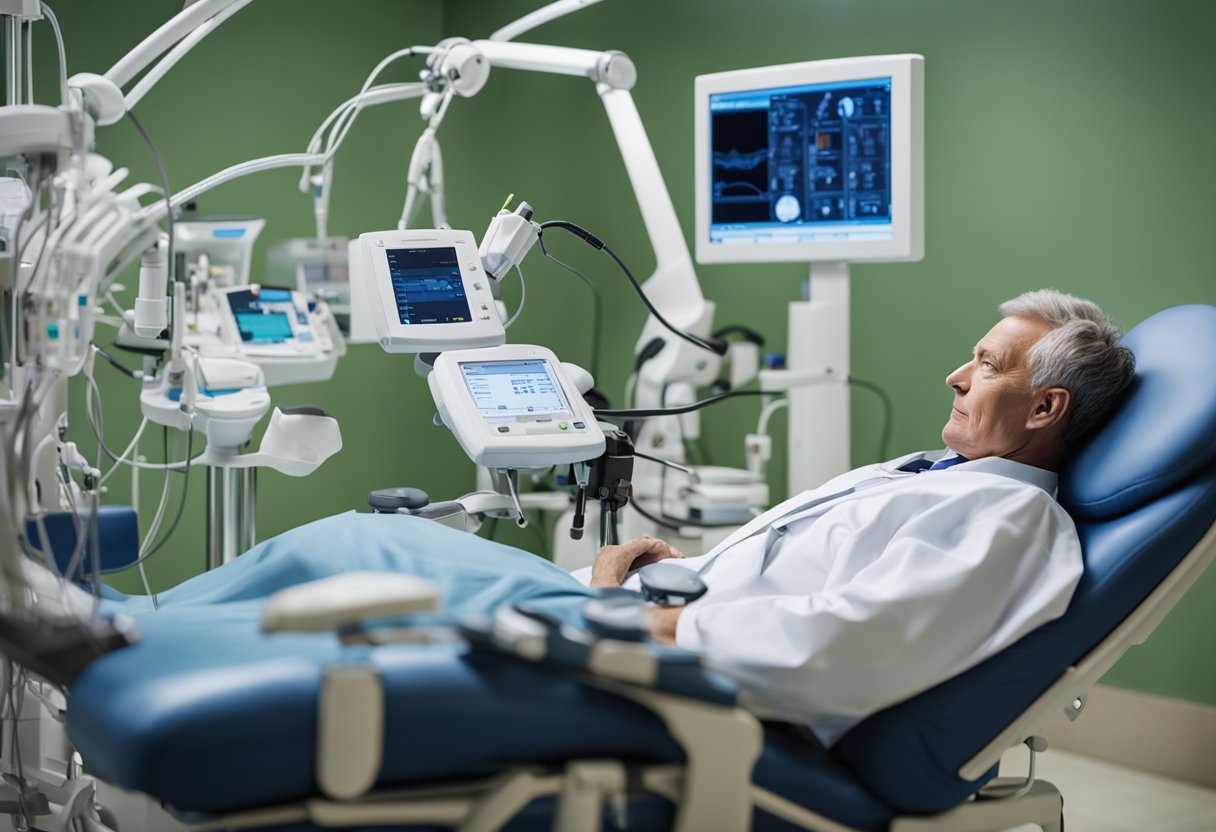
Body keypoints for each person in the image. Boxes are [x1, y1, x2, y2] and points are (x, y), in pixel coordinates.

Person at [576, 288, 1136, 744]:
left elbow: (840, 648)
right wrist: (679, 573)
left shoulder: (1012, 518)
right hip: (640, 619)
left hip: (658, 678)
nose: (956, 376)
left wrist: (620, 612)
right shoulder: (938, 474)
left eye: (988, 366)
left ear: (1044, 407)